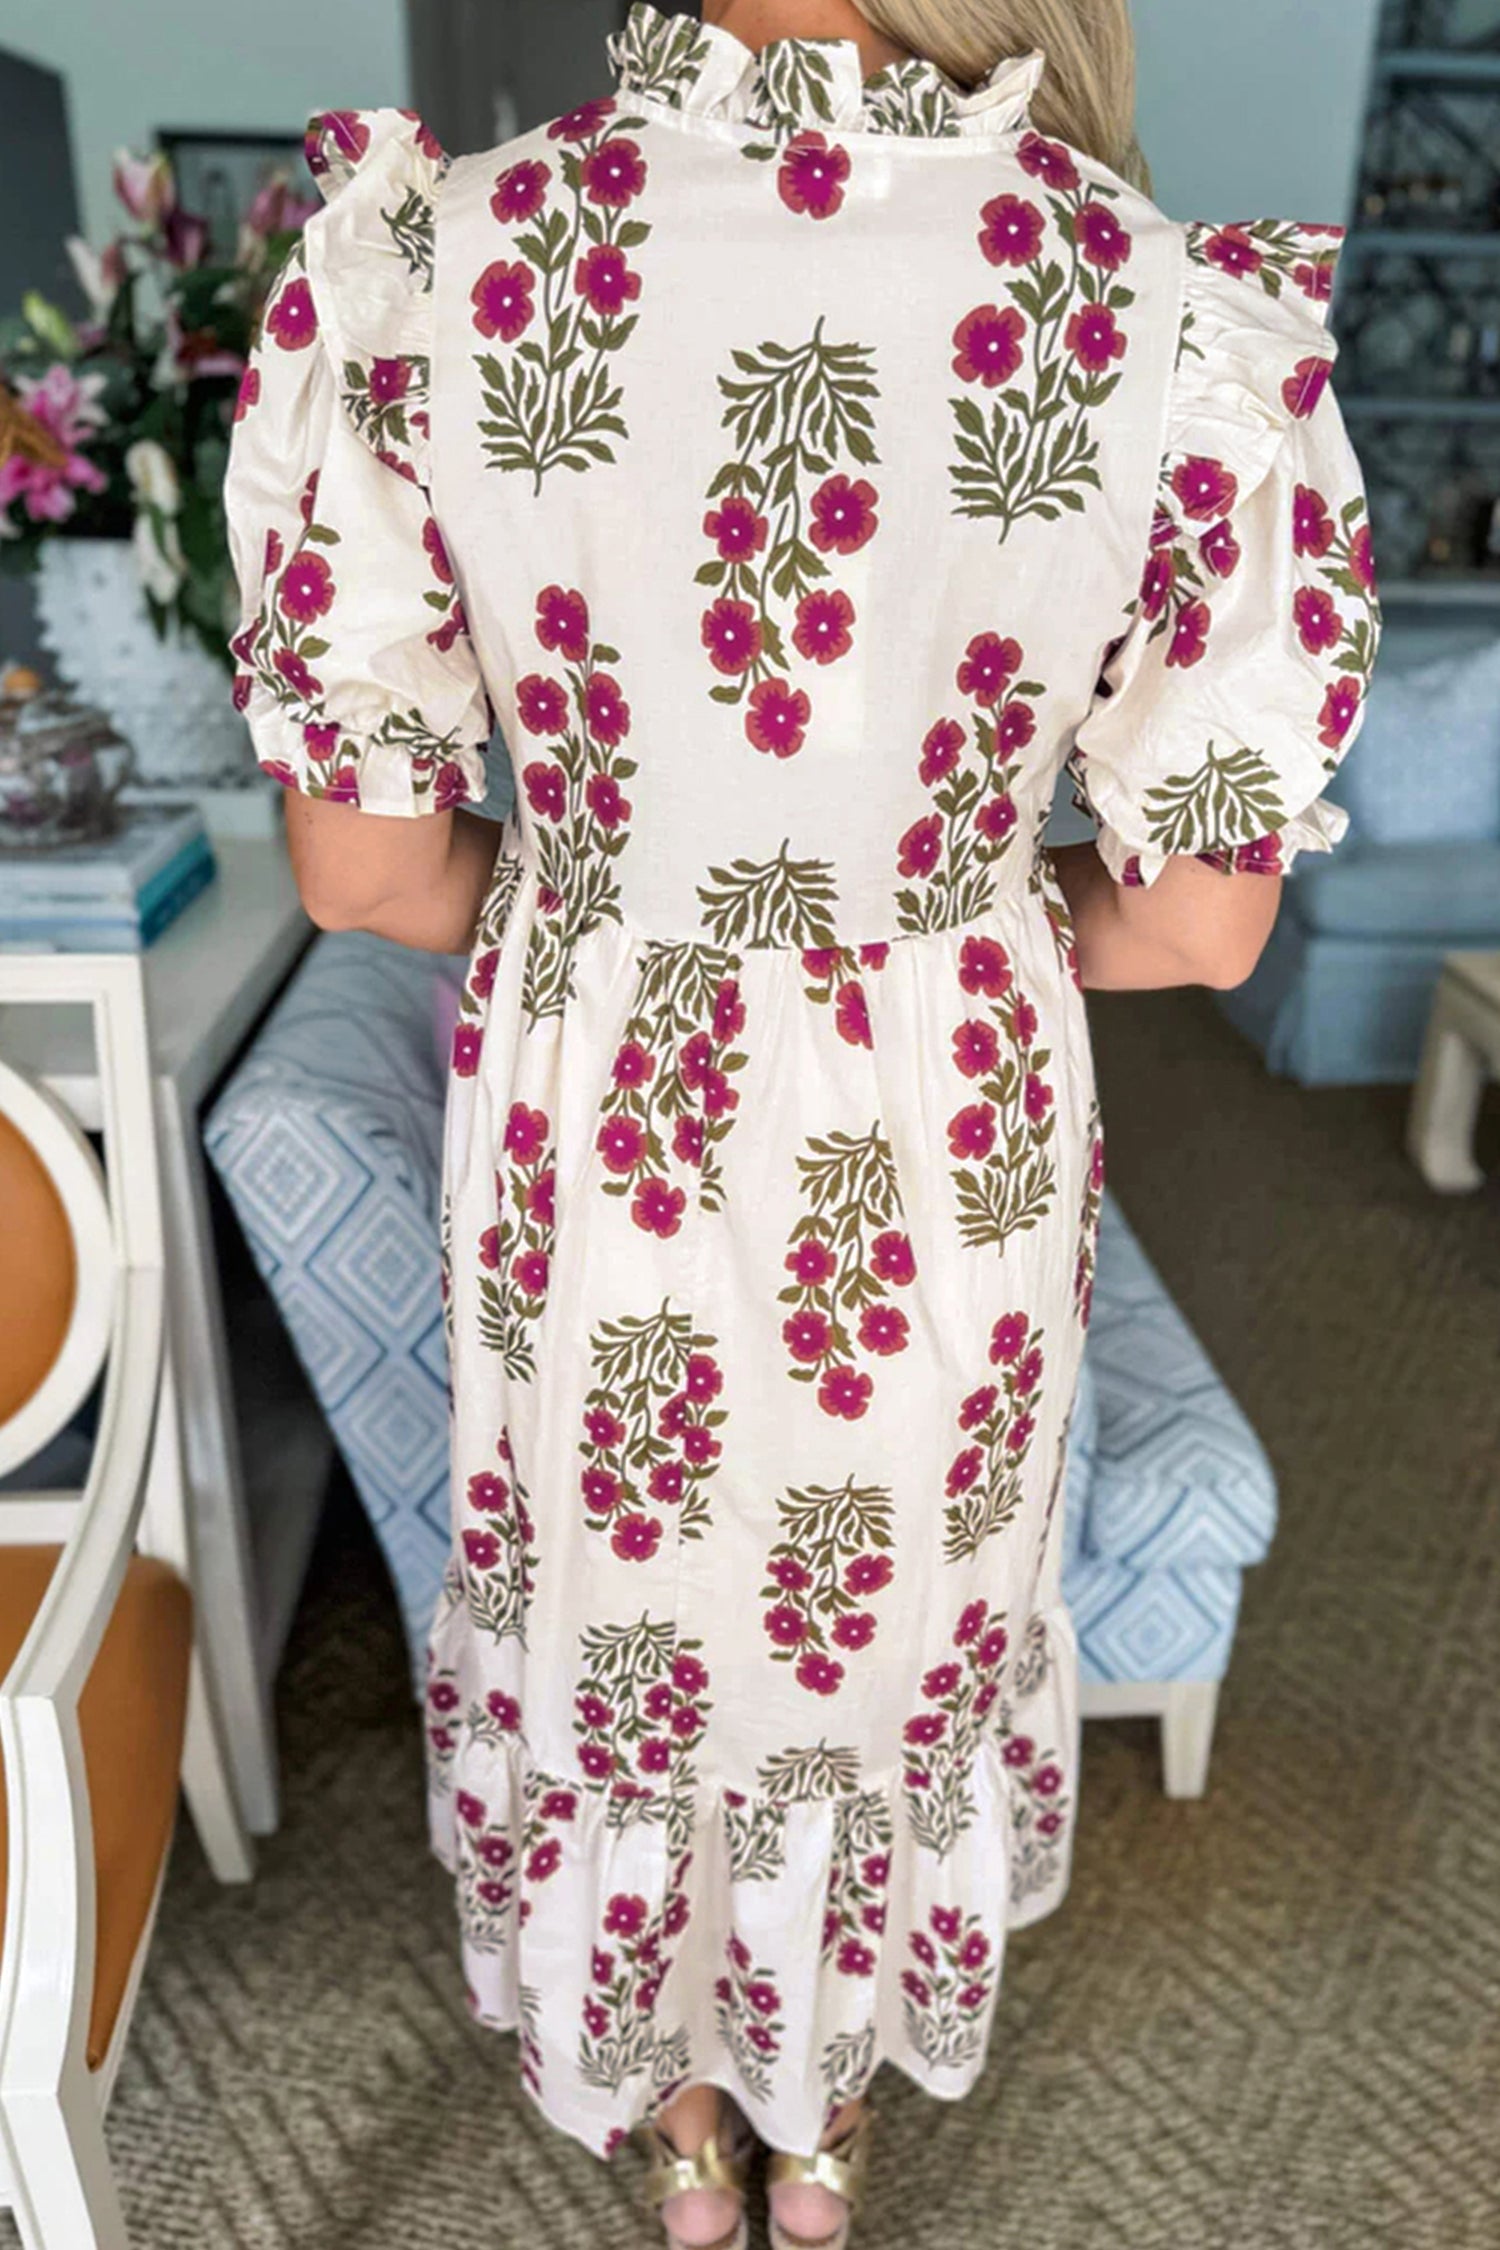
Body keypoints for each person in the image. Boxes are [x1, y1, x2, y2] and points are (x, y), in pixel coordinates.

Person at [224, 2, 1378, 2243]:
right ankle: (822, 2126)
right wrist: (948, 913)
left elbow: (367, 875)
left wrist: (598, 911)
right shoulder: (1160, 313)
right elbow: (1207, 927)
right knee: (880, 1640)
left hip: (606, 1132)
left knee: (624, 1623)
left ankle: (674, 2131)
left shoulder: (433, 264)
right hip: (943, 1134)